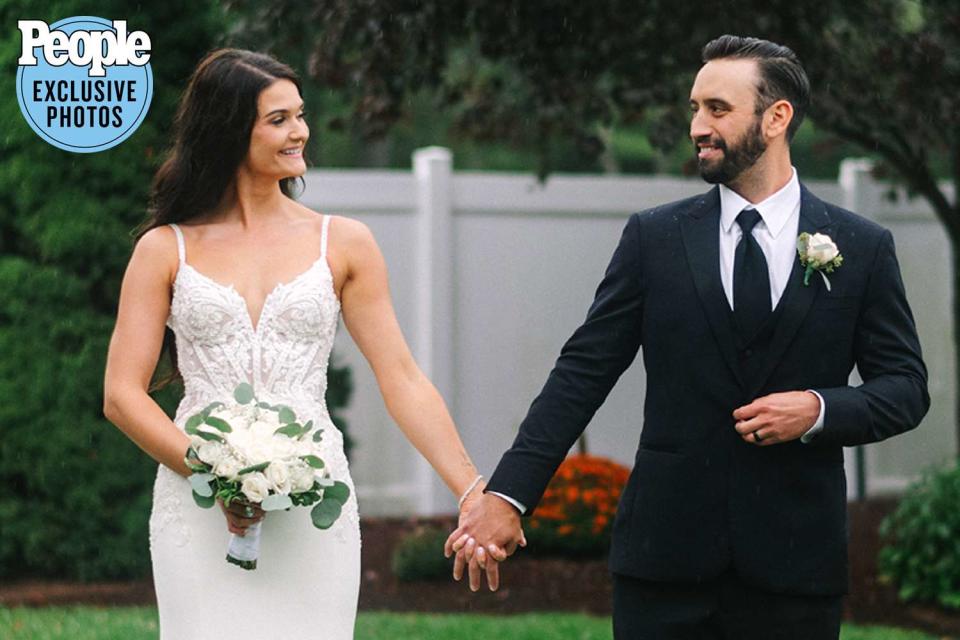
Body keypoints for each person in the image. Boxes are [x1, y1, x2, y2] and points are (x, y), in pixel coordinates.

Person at [446, 35, 929, 639]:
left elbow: (906, 388)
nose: (698, 125)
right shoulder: (655, 239)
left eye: (718, 109)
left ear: (777, 117)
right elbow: (583, 372)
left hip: (795, 567)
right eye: (694, 108)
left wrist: (819, 408)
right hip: (664, 564)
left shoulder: (861, 248)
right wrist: (509, 495)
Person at [102, 49, 495, 639]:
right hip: (198, 504)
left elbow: (403, 379)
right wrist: (213, 475)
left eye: (300, 115)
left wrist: (471, 488)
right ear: (232, 130)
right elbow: (121, 395)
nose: (300, 132)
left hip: (316, 499)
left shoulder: (344, 242)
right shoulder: (164, 249)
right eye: (279, 119)